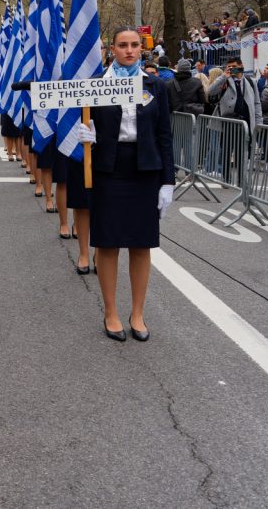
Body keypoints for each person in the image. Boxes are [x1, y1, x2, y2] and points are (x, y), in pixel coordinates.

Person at [74, 27, 175, 342]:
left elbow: (164, 135)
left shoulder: (155, 86)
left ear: (141, 50)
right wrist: (88, 137)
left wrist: (167, 181)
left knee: (141, 244)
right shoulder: (96, 87)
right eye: (122, 45)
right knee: (108, 244)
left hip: (145, 169)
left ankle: (137, 314)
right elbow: (88, 123)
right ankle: (111, 312)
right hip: (110, 169)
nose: (129, 50)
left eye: (134, 45)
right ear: (112, 50)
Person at [208, 56, 262, 130]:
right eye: (229, 67)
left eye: (234, 66)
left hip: (247, 122)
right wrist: (224, 76)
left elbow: (257, 103)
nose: (231, 69)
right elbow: (210, 91)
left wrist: (259, 123)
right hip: (227, 123)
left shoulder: (251, 81)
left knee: (246, 141)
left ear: (241, 66)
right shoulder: (224, 80)